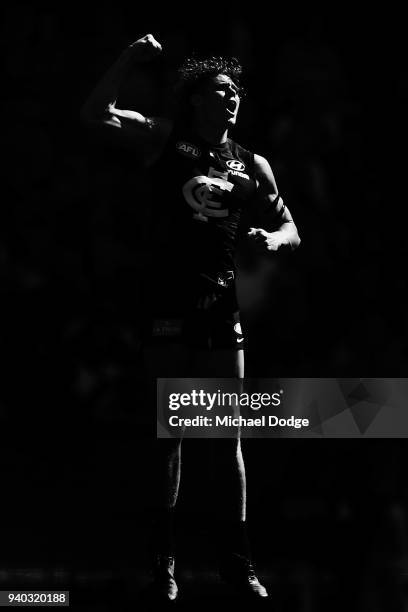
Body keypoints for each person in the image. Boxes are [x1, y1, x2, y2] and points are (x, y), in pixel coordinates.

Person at [81, 33, 301, 602]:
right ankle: (163, 565)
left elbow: (291, 229)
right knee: (169, 434)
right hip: (165, 306)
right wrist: (128, 56)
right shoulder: (163, 138)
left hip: (221, 308)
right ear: (196, 99)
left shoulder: (254, 163)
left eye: (235, 93)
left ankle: (238, 564)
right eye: (220, 91)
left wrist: (271, 242)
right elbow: (95, 114)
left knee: (226, 437)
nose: (231, 99)